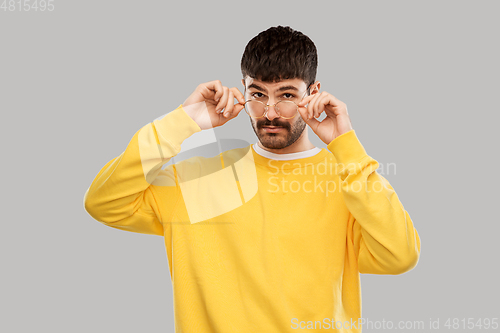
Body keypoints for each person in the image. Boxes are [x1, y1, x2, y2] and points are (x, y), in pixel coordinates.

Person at [84, 26, 421, 333]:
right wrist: (183, 121)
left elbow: (400, 255)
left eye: (287, 95)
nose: (270, 112)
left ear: (313, 92)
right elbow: (105, 203)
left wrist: (346, 146)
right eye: (258, 94)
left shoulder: (347, 180)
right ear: (242, 89)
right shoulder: (198, 178)